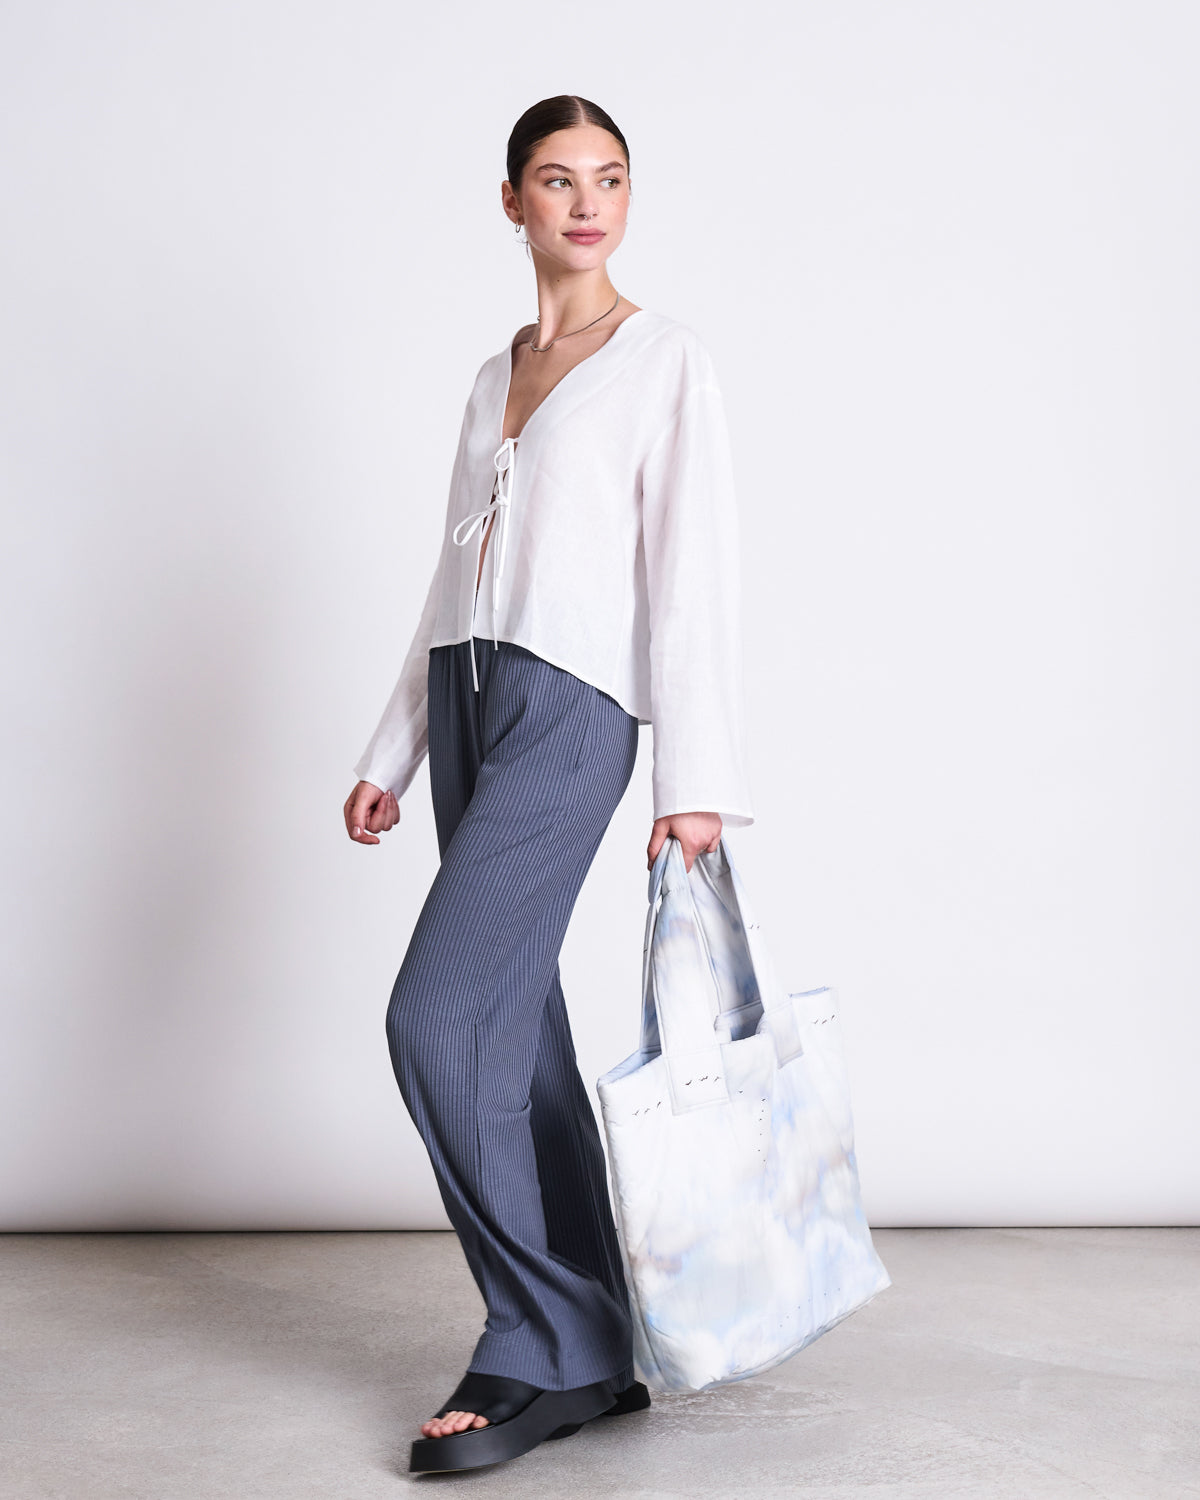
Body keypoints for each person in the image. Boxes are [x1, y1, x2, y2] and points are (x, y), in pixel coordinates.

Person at [342, 94, 755, 1474]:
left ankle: (538, 1342)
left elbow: (690, 580)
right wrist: (390, 750)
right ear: (510, 201)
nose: (587, 203)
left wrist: (693, 786)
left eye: (612, 179)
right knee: (509, 1038)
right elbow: (448, 580)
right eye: (558, 180)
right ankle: (606, 1343)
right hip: (467, 701)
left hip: (573, 710)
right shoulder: (492, 374)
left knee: (434, 1017)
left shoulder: (663, 362)